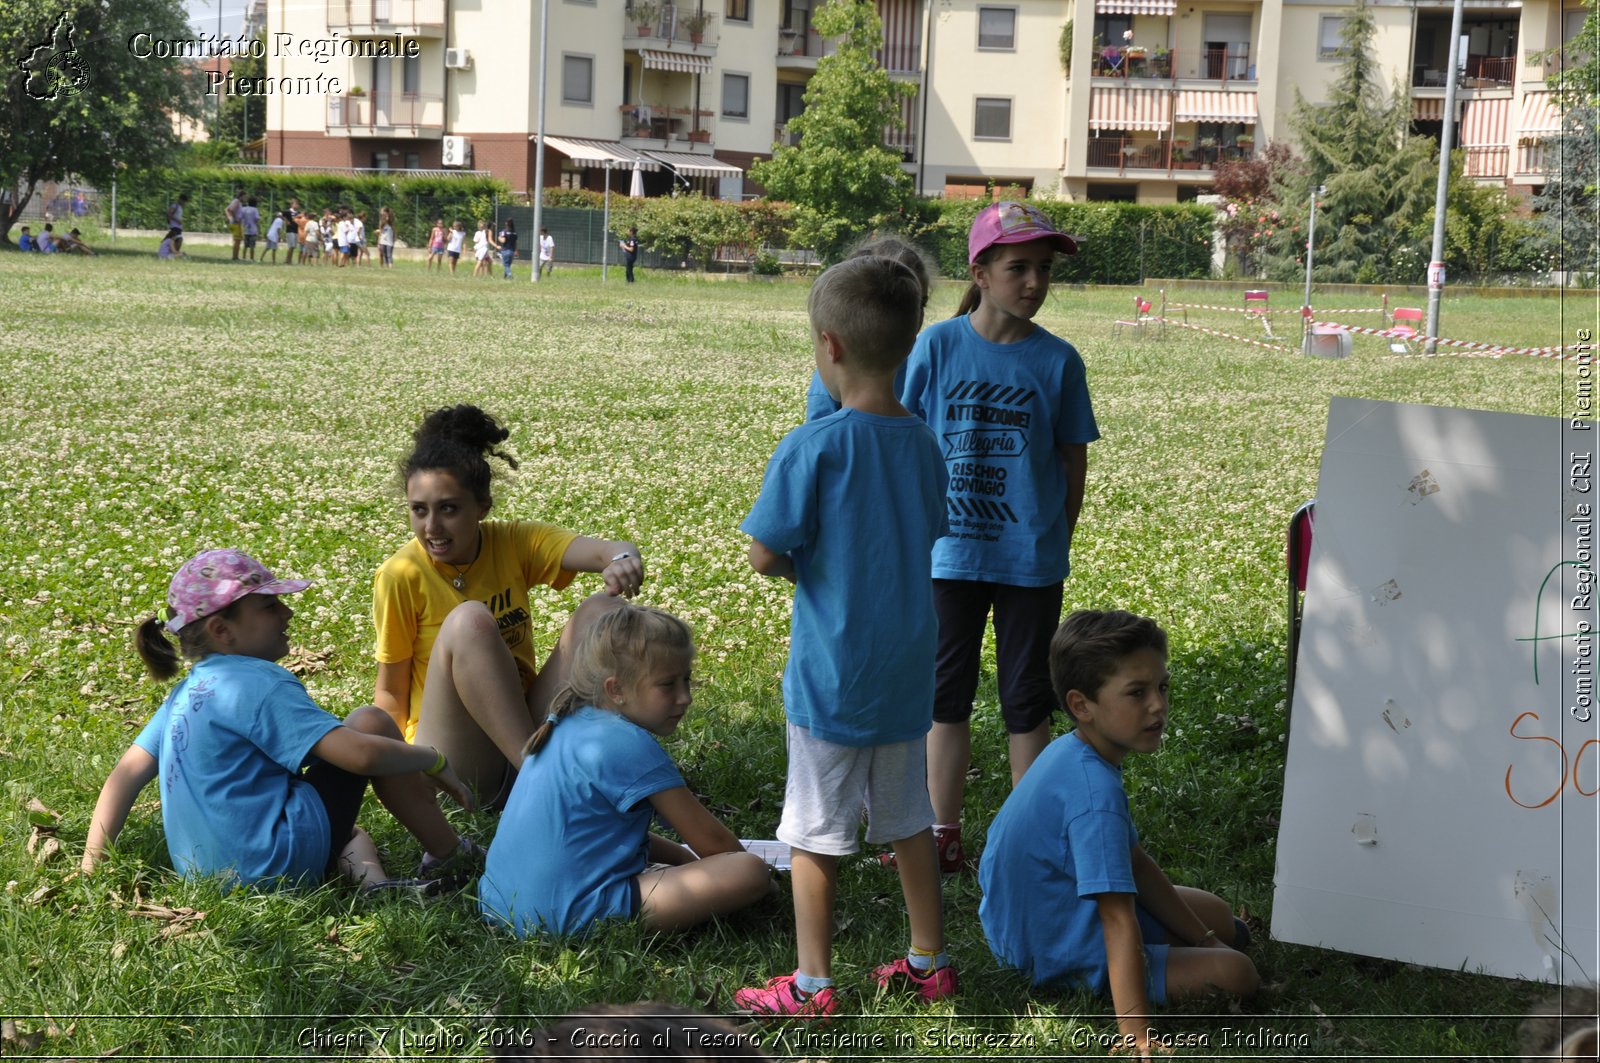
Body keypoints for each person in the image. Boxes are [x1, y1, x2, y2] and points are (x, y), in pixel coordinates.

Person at [735, 256, 954, 1019]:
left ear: (829, 346)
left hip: (832, 678)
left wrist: (811, 567)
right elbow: (926, 530)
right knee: (909, 818)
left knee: (815, 831)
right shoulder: (927, 444)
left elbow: (765, 551)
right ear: (911, 342)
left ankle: (811, 985)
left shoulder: (812, 446)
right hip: (905, 677)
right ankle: (929, 960)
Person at [81, 549, 481, 892]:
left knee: (354, 836)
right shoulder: (257, 683)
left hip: (207, 875)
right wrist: (431, 759)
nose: (287, 611)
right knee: (370, 722)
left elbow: (125, 776)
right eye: (270, 606)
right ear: (222, 630)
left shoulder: (183, 696)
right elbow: (360, 755)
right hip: (276, 860)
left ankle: (374, 886)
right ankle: (447, 853)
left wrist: (91, 867)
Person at [900, 201, 1099, 874]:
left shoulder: (1059, 362)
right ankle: (940, 833)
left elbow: (1072, 459)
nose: (1035, 283)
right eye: (1019, 268)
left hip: (1030, 563)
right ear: (979, 271)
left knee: (1026, 703)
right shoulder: (937, 344)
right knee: (943, 696)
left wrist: (1055, 536)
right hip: (947, 555)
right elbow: (903, 432)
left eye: (1044, 270)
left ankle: (1026, 842)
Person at [978, 610, 1259, 1055]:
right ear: (1080, 705)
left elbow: (1133, 862)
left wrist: (1204, 937)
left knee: (1218, 917)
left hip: (1035, 921)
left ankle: (1218, 940)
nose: (1158, 706)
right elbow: (1116, 917)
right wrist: (1136, 1035)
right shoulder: (1095, 798)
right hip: (1056, 949)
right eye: (1136, 693)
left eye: (1161, 687)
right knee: (1238, 973)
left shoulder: (1074, 751)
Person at [371, 404, 646, 807]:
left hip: (523, 725)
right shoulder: (401, 574)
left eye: (449, 508)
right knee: (470, 621)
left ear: (482, 507)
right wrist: (401, 778)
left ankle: (587, 758)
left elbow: (605, 550)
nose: (432, 527)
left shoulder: (512, 543)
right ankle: (546, 783)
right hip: (454, 761)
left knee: (601, 613)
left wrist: (623, 559)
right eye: (419, 510)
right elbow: (390, 693)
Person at [478, 604, 770, 937]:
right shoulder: (628, 743)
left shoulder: (569, 721)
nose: (685, 697)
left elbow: (613, 835)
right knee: (749, 871)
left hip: (503, 906)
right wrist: (744, 876)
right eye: (667, 685)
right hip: (567, 915)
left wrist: (686, 861)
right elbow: (717, 844)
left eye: (686, 680)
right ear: (616, 689)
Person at [804, 234, 933, 424]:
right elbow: (818, 433)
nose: (913, 317)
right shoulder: (834, 370)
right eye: (893, 305)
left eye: (918, 304)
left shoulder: (927, 362)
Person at [240, 196, 261, 262]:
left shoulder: (243, 209)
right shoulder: (255, 210)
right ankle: (251, 259)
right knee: (252, 246)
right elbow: (257, 220)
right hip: (253, 230)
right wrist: (259, 228)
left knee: (245, 246)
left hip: (245, 229)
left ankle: (243, 258)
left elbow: (241, 217)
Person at [224, 190, 243, 260]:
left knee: (237, 240)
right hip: (236, 223)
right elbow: (230, 210)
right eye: (245, 196)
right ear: (241, 196)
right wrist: (234, 218)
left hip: (235, 223)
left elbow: (226, 209)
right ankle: (235, 257)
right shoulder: (237, 201)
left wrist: (229, 218)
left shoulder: (236, 201)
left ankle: (235, 256)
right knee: (237, 240)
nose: (246, 198)